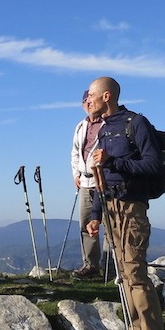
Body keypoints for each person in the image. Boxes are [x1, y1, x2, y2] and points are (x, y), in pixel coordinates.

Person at [84, 76, 165, 330]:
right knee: (123, 275)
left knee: (135, 274)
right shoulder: (105, 129)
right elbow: (101, 176)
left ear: (107, 97)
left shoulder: (136, 123)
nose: (89, 101)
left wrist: (114, 161)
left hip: (131, 208)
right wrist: (95, 214)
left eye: (92, 97)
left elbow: (151, 163)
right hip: (110, 208)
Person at [71, 89, 105, 279]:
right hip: (85, 181)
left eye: (91, 99)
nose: (88, 103)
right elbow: (76, 152)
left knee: (109, 225)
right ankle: (91, 265)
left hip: (104, 181)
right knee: (86, 224)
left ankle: (111, 267)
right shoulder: (80, 126)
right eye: (85, 100)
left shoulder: (108, 124)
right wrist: (76, 173)